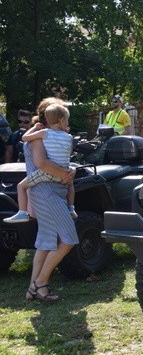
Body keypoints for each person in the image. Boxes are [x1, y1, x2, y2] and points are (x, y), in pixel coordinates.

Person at [23, 98, 79, 302]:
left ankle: (32, 289)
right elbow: (42, 163)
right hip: (46, 191)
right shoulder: (40, 137)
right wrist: (66, 172)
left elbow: (57, 161)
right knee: (69, 238)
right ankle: (41, 283)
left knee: (46, 241)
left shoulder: (50, 136)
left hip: (49, 191)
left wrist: (69, 169)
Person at [4, 107, 77, 224]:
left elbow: (25, 138)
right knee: (71, 185)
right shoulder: (68, 137)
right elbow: (68, 153)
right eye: (67, 120)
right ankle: (71, 208)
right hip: (64, 173)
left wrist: (34, 128)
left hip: (47, 173)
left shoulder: (44, 133)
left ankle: (22, 212)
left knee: (21, 186)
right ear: (62, 120)